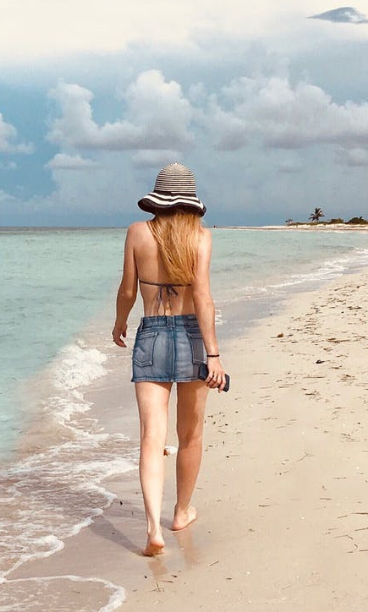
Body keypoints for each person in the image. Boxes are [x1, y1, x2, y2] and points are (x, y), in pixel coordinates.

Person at [111, 162, 228, 557]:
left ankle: (151, 528)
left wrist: (119, 324)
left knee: (151, 437)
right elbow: (204, 298)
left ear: (157, 200)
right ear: (192, 203)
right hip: (194, 336)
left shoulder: (136, 233)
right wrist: (214, 355)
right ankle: (180, 513)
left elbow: (128, 291)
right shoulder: (201, 237)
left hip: (152, 334)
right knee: (191, 434)